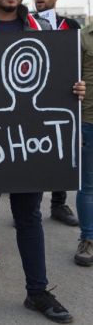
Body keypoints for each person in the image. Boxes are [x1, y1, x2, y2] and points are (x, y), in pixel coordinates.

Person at [0, 0, 86, 323]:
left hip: (31, 140)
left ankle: (37, 292)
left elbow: (59, 81)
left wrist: (75, 90)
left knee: (29, 216)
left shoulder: (44, 29)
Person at [33, 0, 80, 227]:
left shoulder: (70, 27)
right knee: (32, 151)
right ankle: (29, 205)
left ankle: (58, 203)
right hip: (31, 99)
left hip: (61, 98)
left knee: (61, 150)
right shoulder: (25, 23)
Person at [75, 22, 93, 267]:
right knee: (88, 184)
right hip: (89, 120)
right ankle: (88, 239)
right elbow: (69, 77)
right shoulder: (83, 38)